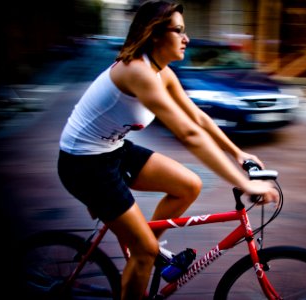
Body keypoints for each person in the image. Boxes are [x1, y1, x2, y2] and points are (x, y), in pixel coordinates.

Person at [57, 1, 279, 299]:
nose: (186, 38)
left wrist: (238, 153)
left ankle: (144, 255)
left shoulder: (163, 72)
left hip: (113, 149)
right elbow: (189, 134)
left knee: (188, 184)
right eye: (179, 31)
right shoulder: (137, 72)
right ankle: (144, 255)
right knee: (145, 251)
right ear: (156, 34)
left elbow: (197, 117)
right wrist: (244, 183)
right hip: (83, 164)